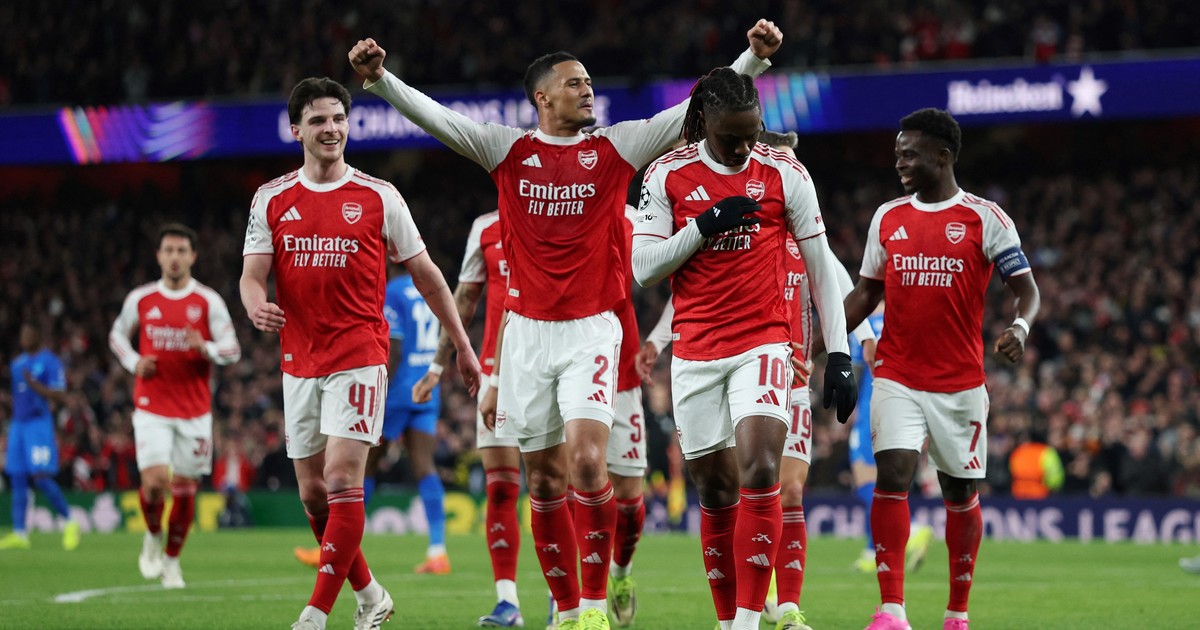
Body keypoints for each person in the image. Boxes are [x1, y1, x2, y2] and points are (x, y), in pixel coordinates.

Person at [350, 20, 782, 630]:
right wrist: (381, 80)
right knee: (545, 480)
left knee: (585, 462)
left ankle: (596, 606)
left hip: (592, 331)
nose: (587, 90)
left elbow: (691, 110)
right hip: (525, 336)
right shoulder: (506, 150)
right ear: (542, 97)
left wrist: (751, 61)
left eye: (589, 82)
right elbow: (439, 119)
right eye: (575, 83)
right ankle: (570, 608)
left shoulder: (615, 148)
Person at [240, 76, 481, 630]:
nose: (331, 129)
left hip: (360, 355)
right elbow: (252, 276)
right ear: (296, 130)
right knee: (313, 494)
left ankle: (315, 614)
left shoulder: (379, 196)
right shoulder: (271, 198)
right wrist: (255, 306)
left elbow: (428, 276)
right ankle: (371, 595)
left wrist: (462, 346)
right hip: (299, 359)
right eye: (318, 120)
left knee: (343, 477)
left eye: (338, 119)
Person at [631, 68, 858, 630]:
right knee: (715, 490)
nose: (742, 148)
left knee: (760, 470)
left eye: (751, 135)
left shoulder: (785, 172)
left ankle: (750, 621)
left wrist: (839, 354)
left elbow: (822, 269)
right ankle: (727, 618)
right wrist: (703, 226)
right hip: (696, 352)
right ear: (703, 123)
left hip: (764, 343)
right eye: (730, 138)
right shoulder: (666, 174)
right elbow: (644, 269)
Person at [841, 108, 1041, 630]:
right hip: (896, 375)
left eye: (909, 155)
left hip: (960, 384)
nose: (899, 163)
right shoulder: (887, 218)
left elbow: (1027, 291)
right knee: (892, 476)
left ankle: (957, 613)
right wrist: (818, 343)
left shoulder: (986, 219)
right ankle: (891, 610)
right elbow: (864, 294)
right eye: (897, 155)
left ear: (942, 156)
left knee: (959, 493)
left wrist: (1020, 328)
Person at [754, 130, 877, 630]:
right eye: (782, 165)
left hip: (793, 384)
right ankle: (745, 600)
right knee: (744, 494)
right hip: (736, 380)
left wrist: (860, 349)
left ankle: (788, 607)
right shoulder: (742, 235)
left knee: (790, 491)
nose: (792, 177)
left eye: (796, 167)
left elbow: (846, 301)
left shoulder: (813, 244)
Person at [295, 266, 453, 576]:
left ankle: (335, 547)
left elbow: (394, 349)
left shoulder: (393, 291)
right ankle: (438, 551)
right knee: (425, 467)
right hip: (426, 388)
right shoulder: (427, 287)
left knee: (362, 468)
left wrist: (378, 392)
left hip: (396, 392)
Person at [109, 223, 241, 587]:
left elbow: (232, 349)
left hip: (195, 411)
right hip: (151, 406)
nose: (175, 257)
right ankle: (153, 535)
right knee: (154, 484)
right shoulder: (141, 299)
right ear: (158, 256)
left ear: (193, 256)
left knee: (185, 492)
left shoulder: (208, 301)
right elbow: (117, 335)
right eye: (168, 250)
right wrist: (133, 362)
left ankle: (171, 560)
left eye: (182, 250)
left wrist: (206, 348)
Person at [412, 210, 525, 627]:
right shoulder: (485, 227)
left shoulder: (565, 212)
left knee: (555, 486)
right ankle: (507, 601)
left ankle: (562, 601)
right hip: (496, 373)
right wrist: (437, 366)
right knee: (501, 489)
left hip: (552, 369)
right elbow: (464, 300)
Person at [845, 307, 935, 576]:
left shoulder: (865, 322)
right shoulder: (907, 315)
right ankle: (872, 550)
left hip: (873, 405)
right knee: (882, 482)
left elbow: (856, 369)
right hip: (904, 404)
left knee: (864, 479)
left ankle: (912, 529)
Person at [1, 323, 80, 551]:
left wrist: (36, 386)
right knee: (17, 476)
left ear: (37, 336)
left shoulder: (50, 362)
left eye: (28, 334)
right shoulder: (17, 364)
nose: (23, 338)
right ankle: (20, 533)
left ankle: (69, 521)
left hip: (38, 424)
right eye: (22, 334)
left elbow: (61, 395)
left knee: (41, 476)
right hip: (18, 425)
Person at [1008, 427, 1064, 499]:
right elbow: (1055, 476)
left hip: (1018, 494)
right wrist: (1053, 488)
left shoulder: (1017, 452)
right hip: (1040, 495)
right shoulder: (1046, 451)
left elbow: (1011, 471)